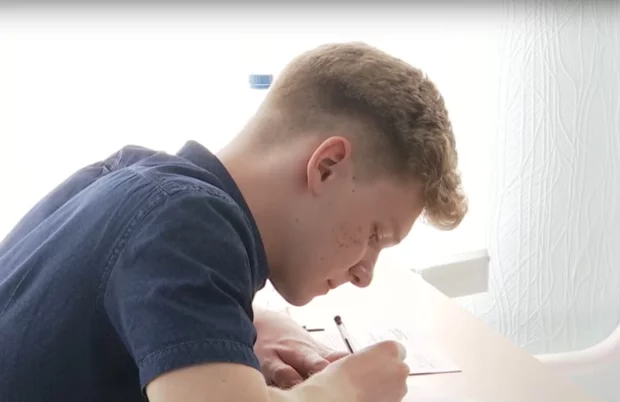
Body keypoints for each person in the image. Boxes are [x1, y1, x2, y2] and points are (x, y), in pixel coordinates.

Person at [0, 42, 467, 402]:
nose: (365, 274)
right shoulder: (187, 225)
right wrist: (343, 390)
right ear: (327, 167)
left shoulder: (136, 178)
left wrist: (231, 331)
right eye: (374, 234)